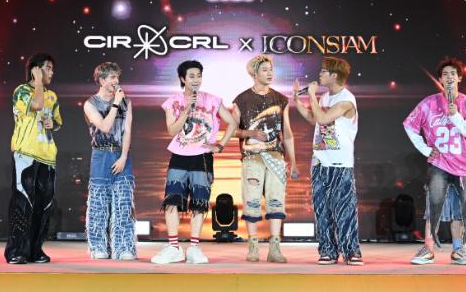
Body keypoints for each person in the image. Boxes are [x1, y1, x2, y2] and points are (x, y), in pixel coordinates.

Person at [151, 60, 237, 264]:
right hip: (179, 156)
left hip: (202, 157)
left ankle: (194, 248)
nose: (196, 80)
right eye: (191, 76)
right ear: (183, 79)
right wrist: (186, 109)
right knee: (172, 201)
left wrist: (220, 145)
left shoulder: (212, 100)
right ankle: (174, 247)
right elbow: (171, 130)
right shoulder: (173, 101)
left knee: (199, 203)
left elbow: (232, 122)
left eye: (199, 75)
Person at [404, 57, 466, 265]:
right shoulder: (428, 103)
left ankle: (458, 249)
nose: (449, 77)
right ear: (439, 79)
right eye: (445, 74)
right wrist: (425, 149)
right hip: (439, 163)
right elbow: (409, 125)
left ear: (460, 78)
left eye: (453, 74)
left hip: (464, 166)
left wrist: (455, 116)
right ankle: (428, 248)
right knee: (434, 206)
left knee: (461, 209)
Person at [293, 56, 364, 265]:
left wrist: (312, 95)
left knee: (344, 209)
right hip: (320, 162)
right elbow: (313, 119)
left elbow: (324, 118)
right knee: (322, 210)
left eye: (324, 71)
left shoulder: (346, 99)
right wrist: (297, 100)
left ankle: (351, 251)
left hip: (340, 164)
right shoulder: (325, 98)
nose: (320, 74)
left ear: (334, 75)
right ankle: (327, 250)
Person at [232, 55, 298, 263]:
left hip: (276, 156)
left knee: (276, 201)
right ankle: (253, 246)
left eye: (271, 69)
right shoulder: (241, 100)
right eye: (265, 70)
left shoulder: (280, 99)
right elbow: (233, 130)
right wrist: (250, 133)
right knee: (251, 201)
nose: (270, 73)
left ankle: (274, 247)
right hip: (252, 158)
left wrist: (293, 161)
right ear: (254, 73)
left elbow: (287, 133)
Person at [5, 53, 62, 264]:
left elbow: (57, 121)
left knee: (44, 205)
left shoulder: (52, 96)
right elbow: (36, 105)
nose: (51, 73)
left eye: (52, 69)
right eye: (48, 68)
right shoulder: (21, 91)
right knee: (23, 203)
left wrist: (52, 124)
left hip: (47, 156)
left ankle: (35, 250)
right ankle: (16, 250)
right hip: (25, 154)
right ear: (35, 70)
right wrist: (37, 81)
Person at [83, 62, 136, 260]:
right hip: (101, 155)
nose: (117, 81)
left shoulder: (126, 102)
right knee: (98, 204)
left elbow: (127, 131)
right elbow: (105, 127)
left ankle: (124, 247)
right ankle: (98, 247)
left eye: (117, 77)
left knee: (123, 203)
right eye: (113, 77)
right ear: (102, 80)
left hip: (121, 154)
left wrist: (123, 157)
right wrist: (115, 104)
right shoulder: (90, 104)